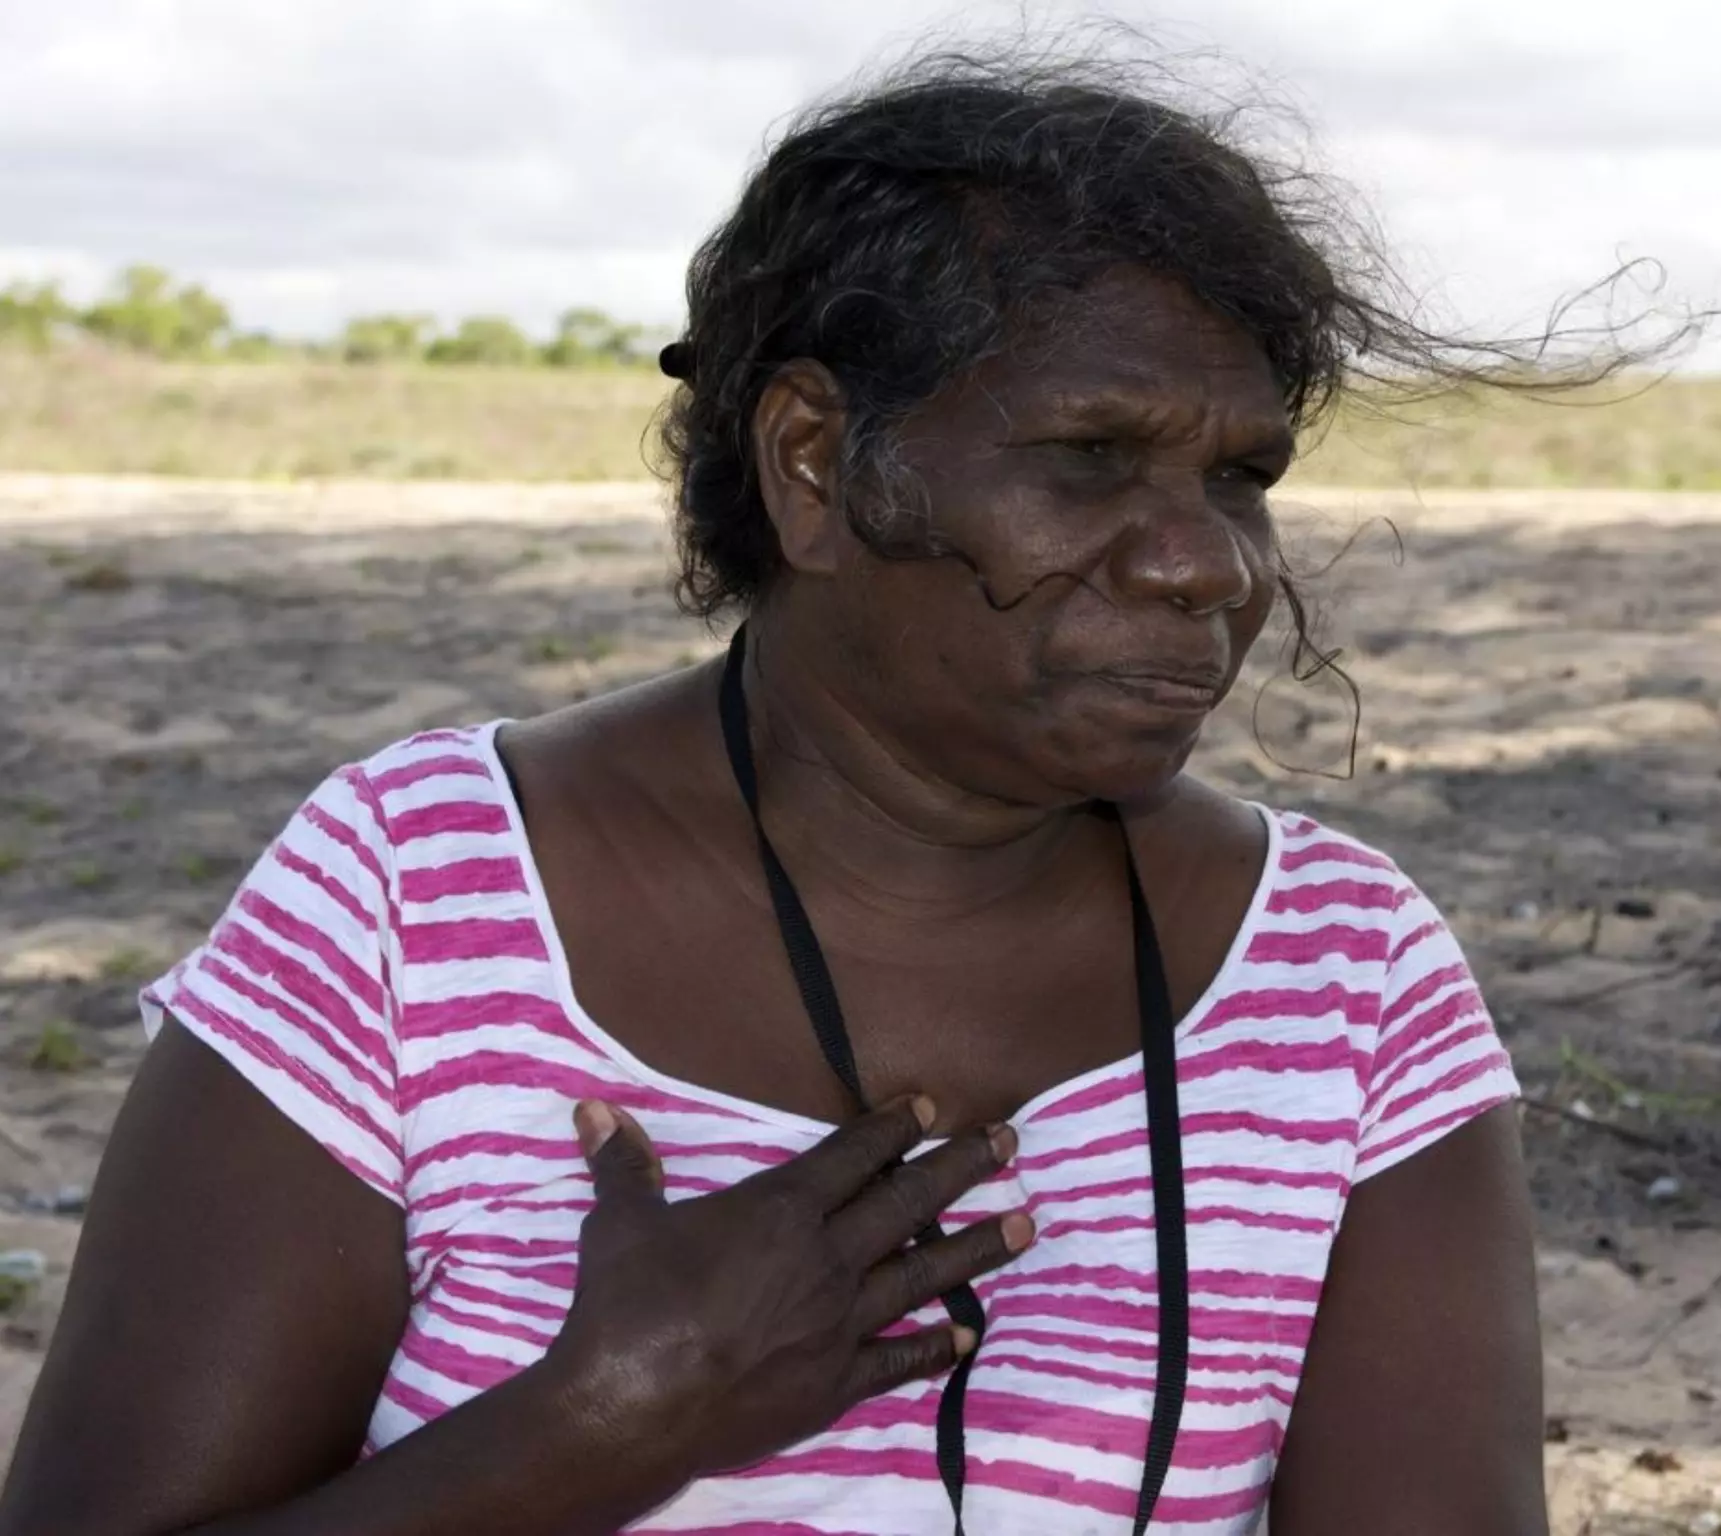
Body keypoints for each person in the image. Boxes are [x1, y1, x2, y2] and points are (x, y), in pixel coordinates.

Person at [0, 43, 1556, 1536]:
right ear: (813, 464)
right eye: (1090, 456)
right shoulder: (414, 898)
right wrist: (598, 1430)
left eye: (1241, 480)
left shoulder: (1345, 981)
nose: (1206, 561)